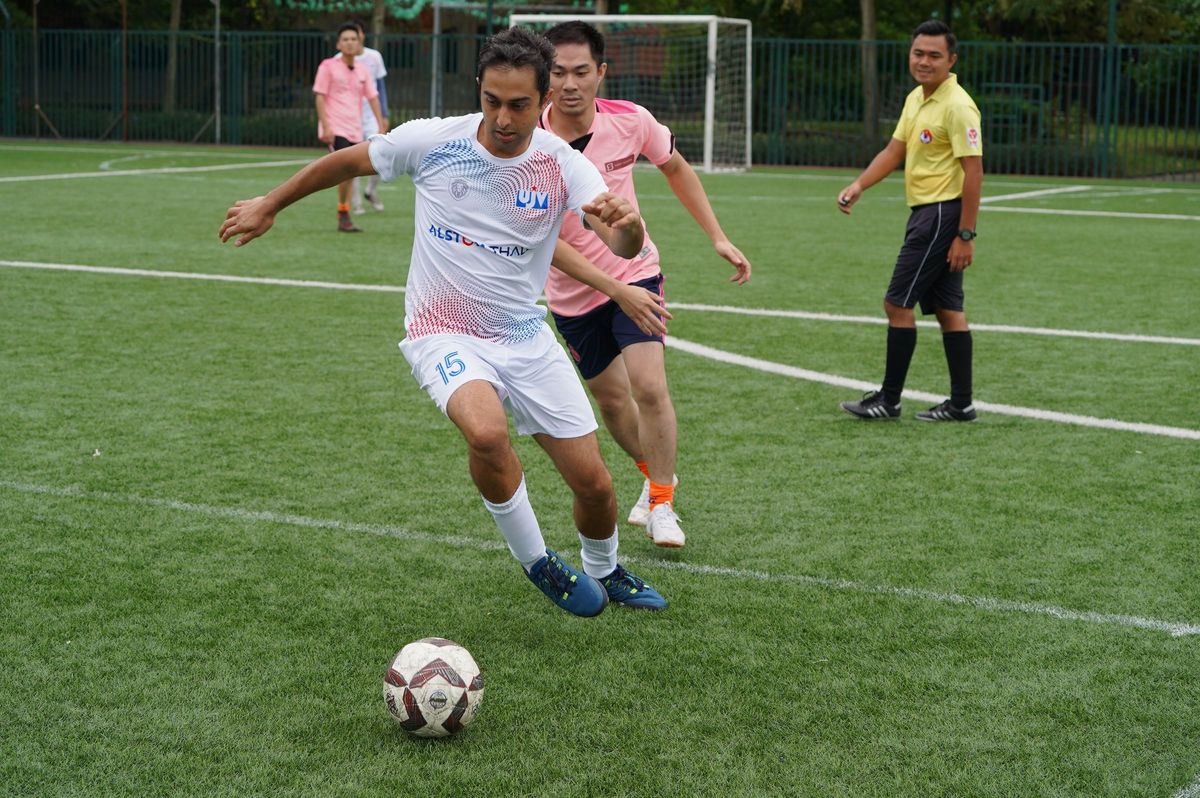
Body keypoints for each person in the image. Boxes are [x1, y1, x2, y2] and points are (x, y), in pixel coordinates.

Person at [219, 27, 670, 615]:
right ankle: (538, 561)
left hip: (523, 334)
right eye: (491, 100)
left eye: (519, 105)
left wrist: (628, 225)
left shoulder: (562, 164)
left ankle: (605, 569)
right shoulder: (434, 140)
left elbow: (620, 241)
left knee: (595, 485)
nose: (503, 118)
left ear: (543, 101)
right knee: (485, 433)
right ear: (478, 89)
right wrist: (270, 203)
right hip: (442, 329)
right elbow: (345, 160)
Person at [539, 20, 752, 549]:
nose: (569, 84)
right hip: (571, 291)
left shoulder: (631, 121)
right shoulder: (529, 142)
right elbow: (545, 244)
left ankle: (661, 505)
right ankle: (656, 475)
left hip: (636, 271)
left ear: (601, 72)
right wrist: (611, 289)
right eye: (558, 72)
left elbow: (676, 168)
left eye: (581, 72)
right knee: (613, 404)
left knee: (650, 386)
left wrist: (718, 236)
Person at [837, 19, 983, 423]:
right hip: (928, 213)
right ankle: (961, 404)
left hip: (940, 215)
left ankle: (889, 400)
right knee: (948, 309)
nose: (924, 61)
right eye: (918, 53)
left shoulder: (958, 106)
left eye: (934, 55)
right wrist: (859, 184)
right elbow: (894, 150)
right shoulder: (916, 98)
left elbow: (973, 171)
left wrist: (965, 234)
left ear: (951, 60)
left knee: (896, 303)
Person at [312, 22, 387, 233]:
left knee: (351, 171)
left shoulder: (363, 70)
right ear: (338, 44)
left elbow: (373, 97)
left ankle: (344, 210)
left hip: (355, 127)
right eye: (345, 39)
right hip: (335, 127)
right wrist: (326, 126)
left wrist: (381, 124)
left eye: (353, 39)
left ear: (359, 41)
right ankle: (344, 212)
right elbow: (320, 97)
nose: (350, 43)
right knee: (345, 170)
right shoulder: (327, 66)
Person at [342, 21, 389, 215]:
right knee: (352, 160)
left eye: (355, 35)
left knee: (380, 154)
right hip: (348, 119)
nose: (351, 41)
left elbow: (380, 88)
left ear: (361, 35)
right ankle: (356, 202)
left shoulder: (374, 57)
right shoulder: (337, 60)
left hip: (371, 117)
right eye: (346, 38)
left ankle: (370, 191)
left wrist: (383, 116)